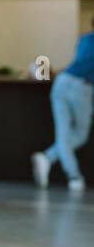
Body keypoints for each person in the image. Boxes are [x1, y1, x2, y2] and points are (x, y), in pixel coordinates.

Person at [33, 25, 94, 192]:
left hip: (62, 81)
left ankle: (47, 158)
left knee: (64, 133)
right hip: (81, 87)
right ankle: (73, 176)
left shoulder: (85, 39)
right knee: (78, 134)